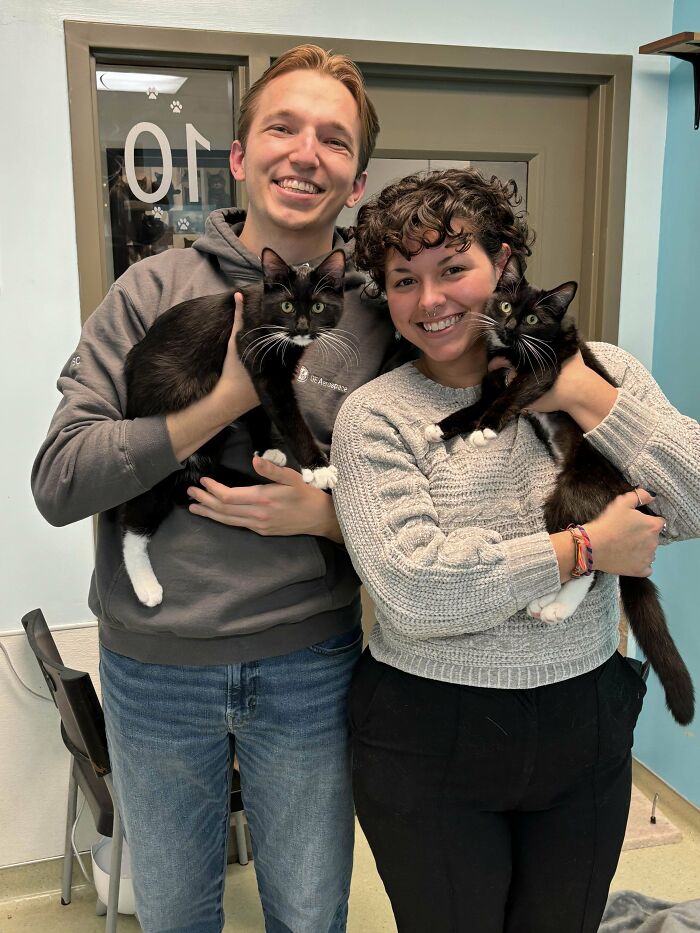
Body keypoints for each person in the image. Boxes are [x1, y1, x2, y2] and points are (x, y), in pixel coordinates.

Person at [31, 45, 405, 933]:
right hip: (156, 669)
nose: (305, 152)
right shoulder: (149, 290)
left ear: (357, 181)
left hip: (312, 663)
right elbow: (60, 479)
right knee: (175, 918)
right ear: (239, 156)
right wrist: (225, 402)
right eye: (282, 128)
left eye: (334, 139)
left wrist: (330, 518)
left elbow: (425, 495)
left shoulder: (382, 313)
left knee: (310, 915)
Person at [330, 168, 700, 933]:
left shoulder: (608, 373)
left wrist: (583, 394)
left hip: (583, 720)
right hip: (428, 734)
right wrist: (585, 548)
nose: (431, 300)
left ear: (502, 263)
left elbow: (693, 499)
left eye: (453, 268)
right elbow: (413, 589)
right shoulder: (375, 415)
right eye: (404, 280)